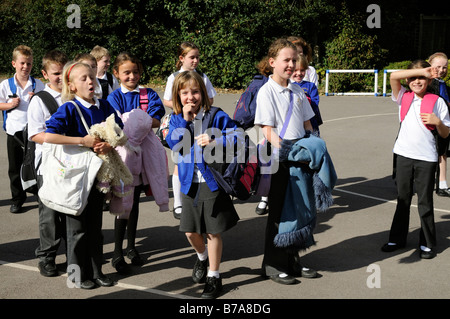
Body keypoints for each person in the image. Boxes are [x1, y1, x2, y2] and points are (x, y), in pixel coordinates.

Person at [45, 61, 123, 289]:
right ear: (71, 85)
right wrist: (82, 141)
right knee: (76, 229)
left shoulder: (105, 105)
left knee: (94, 227)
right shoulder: (69, 108)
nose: (90, 81)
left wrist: (109, 145)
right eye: (83, 79)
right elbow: (49, 135)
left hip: (98, 176)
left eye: (92, 77)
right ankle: (76, 274)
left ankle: (96, 270)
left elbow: (118, 131)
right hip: (75, 177)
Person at [166, 71, 239, 299]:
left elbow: (239, 135)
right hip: (189, 182)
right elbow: (174, 144)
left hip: (211, 181)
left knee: (212, 232)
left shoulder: (216, 115)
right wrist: (186, 121)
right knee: (190, 231)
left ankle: (214, 276)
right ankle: (202, 258)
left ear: (203, 93)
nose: (191, 97)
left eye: (195, 92)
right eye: (185, 92)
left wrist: (217, 140)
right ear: (178, 95)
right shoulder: (177, 119)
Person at [254, 38, 318, 285]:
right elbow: (267, 130)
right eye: (286, 60)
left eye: (294, 60)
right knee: (279, 213)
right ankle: (272, 264)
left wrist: (314, 148)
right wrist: (290, 151)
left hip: (300, 159)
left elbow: (307, 124)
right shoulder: (266, 91)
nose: (291, 64)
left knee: (299, 211)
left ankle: (293, 260)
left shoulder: (298, 90)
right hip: (278, 160)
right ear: (272, 63)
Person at [381, 60, 450, 259]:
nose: (416, 81)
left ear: (429, 80)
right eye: (412, 77)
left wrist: (438, 123)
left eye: (421, 78)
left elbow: (446, 134)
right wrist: (422, 71)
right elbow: (393, 76)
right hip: (403, 155)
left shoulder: (437, 101)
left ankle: (427, 243)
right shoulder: (403, 96)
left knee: (425, 202)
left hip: (426, 158)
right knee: (402, 199)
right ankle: (397, 238)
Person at [107, 52, 166, 274]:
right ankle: (116, 252)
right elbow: (115, 124)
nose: (132, 76)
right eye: (127, 72)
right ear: (117, 74)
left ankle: (131, 247)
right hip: (124, 157)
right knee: (123, 203)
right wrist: (138, 121)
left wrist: (135, 121)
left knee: (136, 203)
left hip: (144, 155)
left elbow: (155, 120)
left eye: (136, 72)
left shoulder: (148, 93)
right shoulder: (114, 97)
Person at [163, 41, 216, 220]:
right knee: (180, 163)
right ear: (181, 58)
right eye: (191, 57)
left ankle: (202, 193)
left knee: (199, 160)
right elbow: (167, 100)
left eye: (197, 57)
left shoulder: (203, 76)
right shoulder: (174, 77)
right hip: (181, 122)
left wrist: (201, 106)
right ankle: (178, 202)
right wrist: (183, 108)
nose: (195, 61)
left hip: (200, 122)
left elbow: (210, 98)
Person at [28, 50, 68, 277]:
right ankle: (47, 256)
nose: (61, 77)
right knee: (50, 214)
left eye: (64, 72)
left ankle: (74, 253)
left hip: (73, 163)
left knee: (72, 209)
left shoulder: (73, 96)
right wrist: (65, 138)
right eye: (55, 73)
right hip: (48, 165)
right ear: (44, 74)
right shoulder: (40, 100)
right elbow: (35, 135)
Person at [0, 45, 45, 214]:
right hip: (14, 132)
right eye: (22, 63)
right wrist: (8, 105)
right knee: (15, 167)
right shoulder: (6, 84)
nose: (25, 67)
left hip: (33, 133)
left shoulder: (37, 84)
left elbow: (46, 103)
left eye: (29, 64)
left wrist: (38, 98)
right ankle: (17, 199)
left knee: (36, 164)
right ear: (14, 64)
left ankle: (39, 193)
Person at [428, 52, 450, 197]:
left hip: (443, 124)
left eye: (445, 67)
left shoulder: (445, 86)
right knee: (427, 154)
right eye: (438, 67)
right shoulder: (426, 84)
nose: (441, 70)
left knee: (442, 153)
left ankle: (442, 184)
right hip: (429, 124)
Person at [291, 54, 322, 135]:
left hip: (310, 121)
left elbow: (315, 103)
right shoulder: (287, 86)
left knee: (313, 142)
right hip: (294, 122)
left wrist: (305, 102)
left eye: (302, 70)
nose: (299, 73)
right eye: (295, 70)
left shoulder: (311, 86)